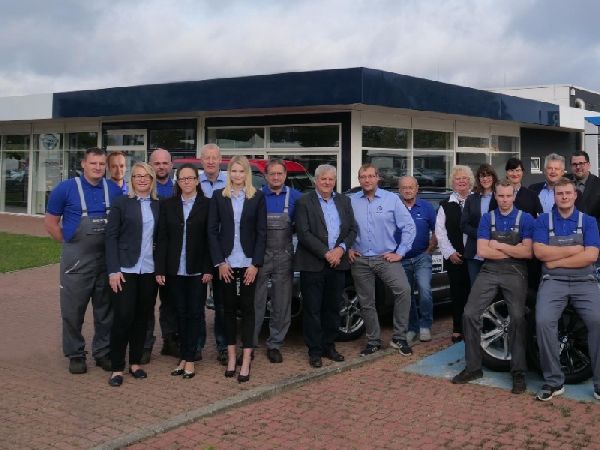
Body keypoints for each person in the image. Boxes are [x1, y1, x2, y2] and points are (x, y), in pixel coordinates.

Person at [452, 179, 534, 394]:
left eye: (508, 196)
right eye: (501, 196)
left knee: (517, 317)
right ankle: (473, 367)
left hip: (515, 271)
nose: (505, 200)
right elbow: (482, 250)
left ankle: (518, 372)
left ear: (514, 196)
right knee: (469, 314)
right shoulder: (488, 218)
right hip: (489, 270)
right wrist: (512, 249)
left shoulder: (525, 218)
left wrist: (497, 244)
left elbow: (527, 252)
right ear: (495, 196)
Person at [44, 147, 122, 374]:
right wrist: (68, 243)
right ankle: (75, 354)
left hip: (106, 261)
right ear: (83, 164)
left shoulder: (113, 189)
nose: (97, 167)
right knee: (73, 311)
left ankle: (103, 352)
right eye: (93, 163)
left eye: (101, 164)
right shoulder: (65, 189)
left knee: (105, 311)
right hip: (77, 261)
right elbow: (50, 223)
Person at [533, 178, 600, 401]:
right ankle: (554, 381)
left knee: (598, 321)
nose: (564, 197)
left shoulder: (588, 221)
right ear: (554, 196)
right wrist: (575, 250)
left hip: (584, 281)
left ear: (575, 195)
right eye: (560, 193)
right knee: (543, 321)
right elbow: (540, 252)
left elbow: (591, 256)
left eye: (568, 193)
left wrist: (556, 261)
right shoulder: (543, 220)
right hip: (553, 281)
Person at [208, 156, 267, 383]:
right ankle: (232, 357)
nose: (237, 175)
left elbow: (262, 232)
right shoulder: (218, 196)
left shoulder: (257, 197)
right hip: (227, 263)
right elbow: (212, 231)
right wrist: (220, 262)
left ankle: (247, 358)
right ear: (229, 173)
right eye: (234, 171)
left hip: (249, 262)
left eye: (241, 171)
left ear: (247, 174)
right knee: (228, 310)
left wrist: (256, 264)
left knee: (249, 309)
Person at [349, 164, 416, 357]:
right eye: (363, 177)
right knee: (366, 301)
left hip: (385, 257)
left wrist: (400, 252)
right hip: (360, 259)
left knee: (404, 290)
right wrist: (347, 248)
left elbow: (409, 226)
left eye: (371, 176)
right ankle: (373, 341)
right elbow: (342, 228)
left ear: (378, 177)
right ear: (359, 179)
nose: (367, 180)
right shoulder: (351, 201)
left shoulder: (391, 199)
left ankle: (399, 337)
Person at [295, 164, 356, 368]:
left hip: (338, 263)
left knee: (333, 308)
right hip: (313, 264)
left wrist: (340, 249)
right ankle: (315, 351)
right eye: (323, 179)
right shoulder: (304, 201)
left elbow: (352, 230)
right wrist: (327, 253)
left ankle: (329, 346)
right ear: (316, 180)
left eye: (331, 179)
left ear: (335, 181)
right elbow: (303, 233)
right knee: (312, 310)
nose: (327, 182)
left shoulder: (344, 201)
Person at [155, 163, 213, 379]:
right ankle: (184, 356)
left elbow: (210, 239)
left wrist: (208, 268)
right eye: (182, 179)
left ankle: (189, 359)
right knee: (179, 313)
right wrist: (160, 268)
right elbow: (162, 238)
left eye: (190, 178)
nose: (186, 182)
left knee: (195, 313)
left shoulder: (208, 205)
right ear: (177, 182)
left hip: (198, 270)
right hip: (174, 270)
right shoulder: (168, 205)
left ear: (197, 181)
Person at [104, 162, 159, 387]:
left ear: (152, 180)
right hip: (125, 270)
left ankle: (135, 363)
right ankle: (117, 367)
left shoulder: (158, 205)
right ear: (132, 180)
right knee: (123, 317)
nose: (142, 179)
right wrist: (113, 270)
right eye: (137, 176)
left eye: (146, 176)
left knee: (142, 317)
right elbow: (110, 237)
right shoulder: (121, 203)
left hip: (149, 270)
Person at [253, 159, 302, 363]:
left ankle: (275, 344)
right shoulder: (255, 196)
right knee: (255, 302)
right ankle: (249, 345)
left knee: (281, 303)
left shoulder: (297, 197)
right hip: (260, 256)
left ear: (285, 175)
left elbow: (303, 227)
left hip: (284, 256)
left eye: (279, 174)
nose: (275, 177)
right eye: (272, 174)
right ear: (265, 176)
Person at [143, 147, 178, 362]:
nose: (161, 167)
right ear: (150, 166)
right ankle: (145, 344)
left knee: (170, 302)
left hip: (170, 256)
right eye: (157, 163)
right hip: (146, 255)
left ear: (171, 165)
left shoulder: (178, 189)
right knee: (146, 303)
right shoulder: (143, 188)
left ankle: (170, 341)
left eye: (165, 163)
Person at [435, 165, 474, 343]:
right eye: (458, 178)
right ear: (453, 182)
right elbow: (440, 232)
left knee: (475, 293)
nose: (461, 181)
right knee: (457, 294)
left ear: (470, 181)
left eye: (464, 178)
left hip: (475, 256)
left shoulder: (477, 201)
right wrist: (450, 253)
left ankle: (474, 327)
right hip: (455, 257)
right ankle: (458, 328)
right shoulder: (445, 205)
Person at [198, 143, 229, 366]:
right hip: (197, 249)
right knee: (196, 301)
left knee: (222, 303)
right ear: (201, 160)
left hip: (221, 250)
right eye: (206, 158)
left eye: (214, 157)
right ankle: (196, 345)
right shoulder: (192, 182)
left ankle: (223, 346)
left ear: (220, 160)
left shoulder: (230, 182)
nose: (210, 161)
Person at [398, 176, 437, 344]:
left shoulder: (427, 207)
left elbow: (437, 230)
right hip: (401, 259)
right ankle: (412, 327)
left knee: (425, 290)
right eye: (404, 187)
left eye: (411, 187)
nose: (408, 190)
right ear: (399, 190)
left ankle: (425, 325)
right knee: (406, 295)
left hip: (422, 257)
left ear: (417, 188)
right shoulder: (394, 207)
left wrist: (429, 251)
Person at [461, 164, 498, 285]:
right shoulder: (471, 199)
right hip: (474, 252)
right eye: (482, 176)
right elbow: (463, 225)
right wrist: (481, 234)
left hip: (494, 250)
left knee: (493, 288)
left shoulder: (499, 197)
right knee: (476, 287)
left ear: (493, 177)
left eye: (488, 175)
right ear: (478, 179)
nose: (485, 179)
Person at [570, 150, 600, 227]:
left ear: (588, 165)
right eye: (574, 164)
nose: (578, 167)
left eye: (581, 163)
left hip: (592, 230)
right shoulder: (564, 182)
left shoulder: (598, 184)